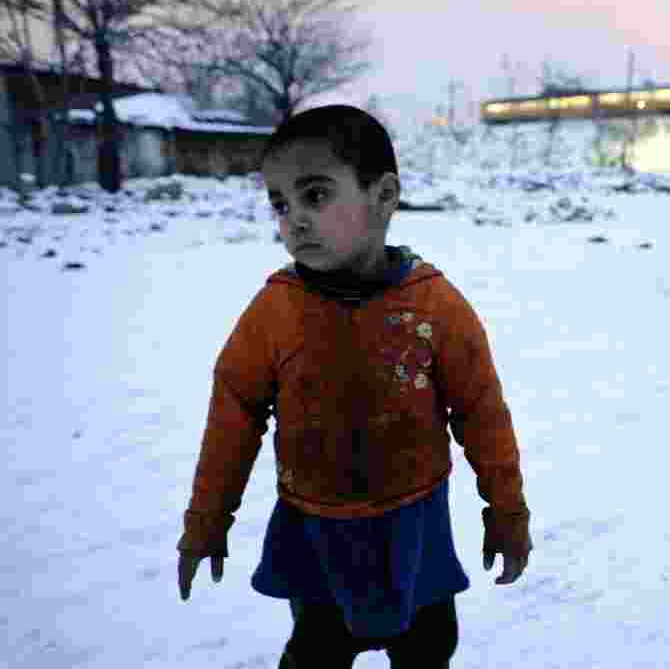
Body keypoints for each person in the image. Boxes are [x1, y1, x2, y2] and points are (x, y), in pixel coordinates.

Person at [176, 105, 532, 669]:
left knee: (428, 648)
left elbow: (483, 414)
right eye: (280, 203)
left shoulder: (434, 307)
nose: (293, 219)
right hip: (316, 535)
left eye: (315, 196)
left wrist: (507, 512)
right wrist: (206, 521)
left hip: (414, 533)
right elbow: (232, 417)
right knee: (317, 651)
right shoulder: (275, 312)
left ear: (383, 195)